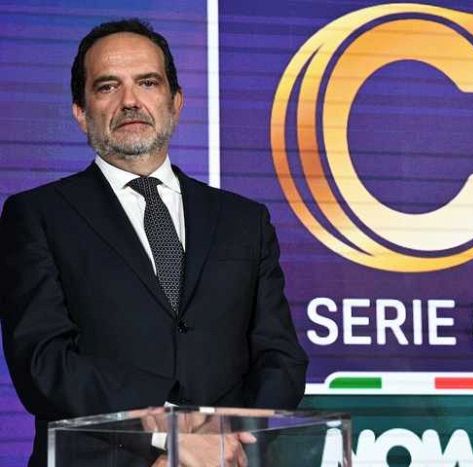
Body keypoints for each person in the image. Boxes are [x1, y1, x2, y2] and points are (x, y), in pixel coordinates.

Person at [0, 18, 308, 466]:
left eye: (147, 82)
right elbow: (44, 363)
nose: (130, 101)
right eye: (108, 86)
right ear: (81, 112)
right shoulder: (37, 215)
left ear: (175, 102)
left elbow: (281, 358)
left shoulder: (245, 221)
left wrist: (229, 441)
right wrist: (170, 436)